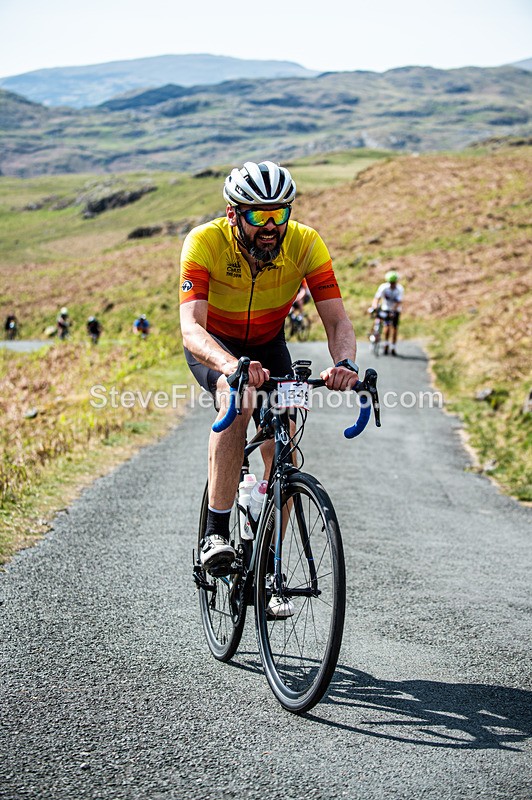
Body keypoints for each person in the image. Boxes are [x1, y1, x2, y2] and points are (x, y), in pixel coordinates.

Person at [179, 160, 360, 578]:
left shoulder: (305, 243)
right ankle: (215, 533)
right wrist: (230, 365)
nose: (270, 226)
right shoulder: (203, 242)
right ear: (233, 214)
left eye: (279, 213)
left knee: (285, 443)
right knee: (238, 400)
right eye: (259, 214)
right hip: (216, 346)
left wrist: (345, 363)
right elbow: (191, 328)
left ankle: (269, 562)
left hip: (269, 343)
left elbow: (337, 321)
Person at [368, 270, 404, 355]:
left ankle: (393, 346)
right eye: (390, 282)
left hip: (396, 310)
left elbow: (398, 302)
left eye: (393, 282)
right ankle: (386, 344)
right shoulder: (383, 287)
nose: (392, 284)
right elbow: (377, 298)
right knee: (386, 326)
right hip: (386, 308)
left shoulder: (399, 289)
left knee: (394, 328)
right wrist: (374, 306)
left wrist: (393, 311)